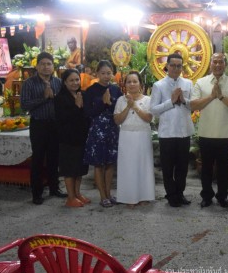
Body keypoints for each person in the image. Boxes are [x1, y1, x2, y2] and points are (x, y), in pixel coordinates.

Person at [191, 53, 228, 208]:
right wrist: (211, 96)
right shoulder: (201, 83)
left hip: (225, 134)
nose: (218, 65)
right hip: (206, 133)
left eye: (221, 62)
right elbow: (193, 105)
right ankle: (206, 196)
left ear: (225, 65)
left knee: (223, 169)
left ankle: (222, 197)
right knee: (206, 168)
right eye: (215, 62)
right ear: (210, 64)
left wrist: (221, 97)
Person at [20, 52, 66, 205]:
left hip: (55, 125)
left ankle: (54, 188)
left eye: (49, 64)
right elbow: (24, 105)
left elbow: (63, 102)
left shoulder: (58, 82)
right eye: (43, 64)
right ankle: (37, 193)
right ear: (37, 66)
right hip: (39, 124)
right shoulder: (29, 83)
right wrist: (43, 98)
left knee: (55, 158)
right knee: (38, 158)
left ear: (53, 66)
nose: (46, 67)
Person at [150, 53, 194, 207]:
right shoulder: (159, 85)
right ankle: (170, 195)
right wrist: (171, 101)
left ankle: (180, 193)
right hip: (167, 132)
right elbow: (153, 109)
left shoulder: (188, 83)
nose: (176, 68)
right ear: (167, 66)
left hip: (183, 131)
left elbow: (193, 106)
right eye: (173, 65)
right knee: (168, 167)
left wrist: (183, 100)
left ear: (182, 67)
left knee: (182, 167)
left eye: (179, 66)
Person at [83, 60, 122, 208]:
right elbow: (88, 113)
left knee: (110, 163)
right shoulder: (91, 90)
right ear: (97, 74)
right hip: (97, 130)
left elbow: (118, 110)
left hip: (112, 129)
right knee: (99, 164)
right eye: (103, 73)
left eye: (109, 73)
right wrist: (103, 103)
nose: (106, 76)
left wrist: (111, 103)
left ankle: (109, 193)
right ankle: (102, 196)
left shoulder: (116, 89)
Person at [114, 71, 155, 208]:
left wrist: (135, 106)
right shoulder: (121, 100)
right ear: (125, 85)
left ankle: (144, 196)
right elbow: (117, 120)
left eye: (135, 81)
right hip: (126, 137)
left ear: (140, 84)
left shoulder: (148, 100)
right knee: (128, 167)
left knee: (143, 166)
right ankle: (129, 197)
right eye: (129, 82)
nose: (132, 84)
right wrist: (128, 106)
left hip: (142, 136)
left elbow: (148, 118)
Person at [54, 69, 90, 208]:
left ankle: (77, 193)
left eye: (77, 80)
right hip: (67, 139)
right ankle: (70, 197)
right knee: (70, 169)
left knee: (79, 168)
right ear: (65, 82)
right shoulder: (60, 98)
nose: (75, 83)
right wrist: (76, 106)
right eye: (71, 80)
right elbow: (63, 119)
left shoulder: (83, 94)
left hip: (81, 137)